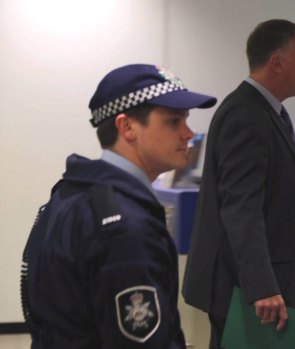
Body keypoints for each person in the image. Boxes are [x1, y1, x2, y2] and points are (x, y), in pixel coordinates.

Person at [19, 64, 217, 349]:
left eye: (186, 120)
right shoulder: (124, 226)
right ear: (126, 127)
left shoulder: (74, 193)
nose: (188, 133)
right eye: (174, 121)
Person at [182, 19, 295, 349]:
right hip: (256, 296)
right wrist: (261, 286)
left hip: (265, 289)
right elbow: (242, 208)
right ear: (277, 62)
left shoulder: (266, 113)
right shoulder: (247, 115)